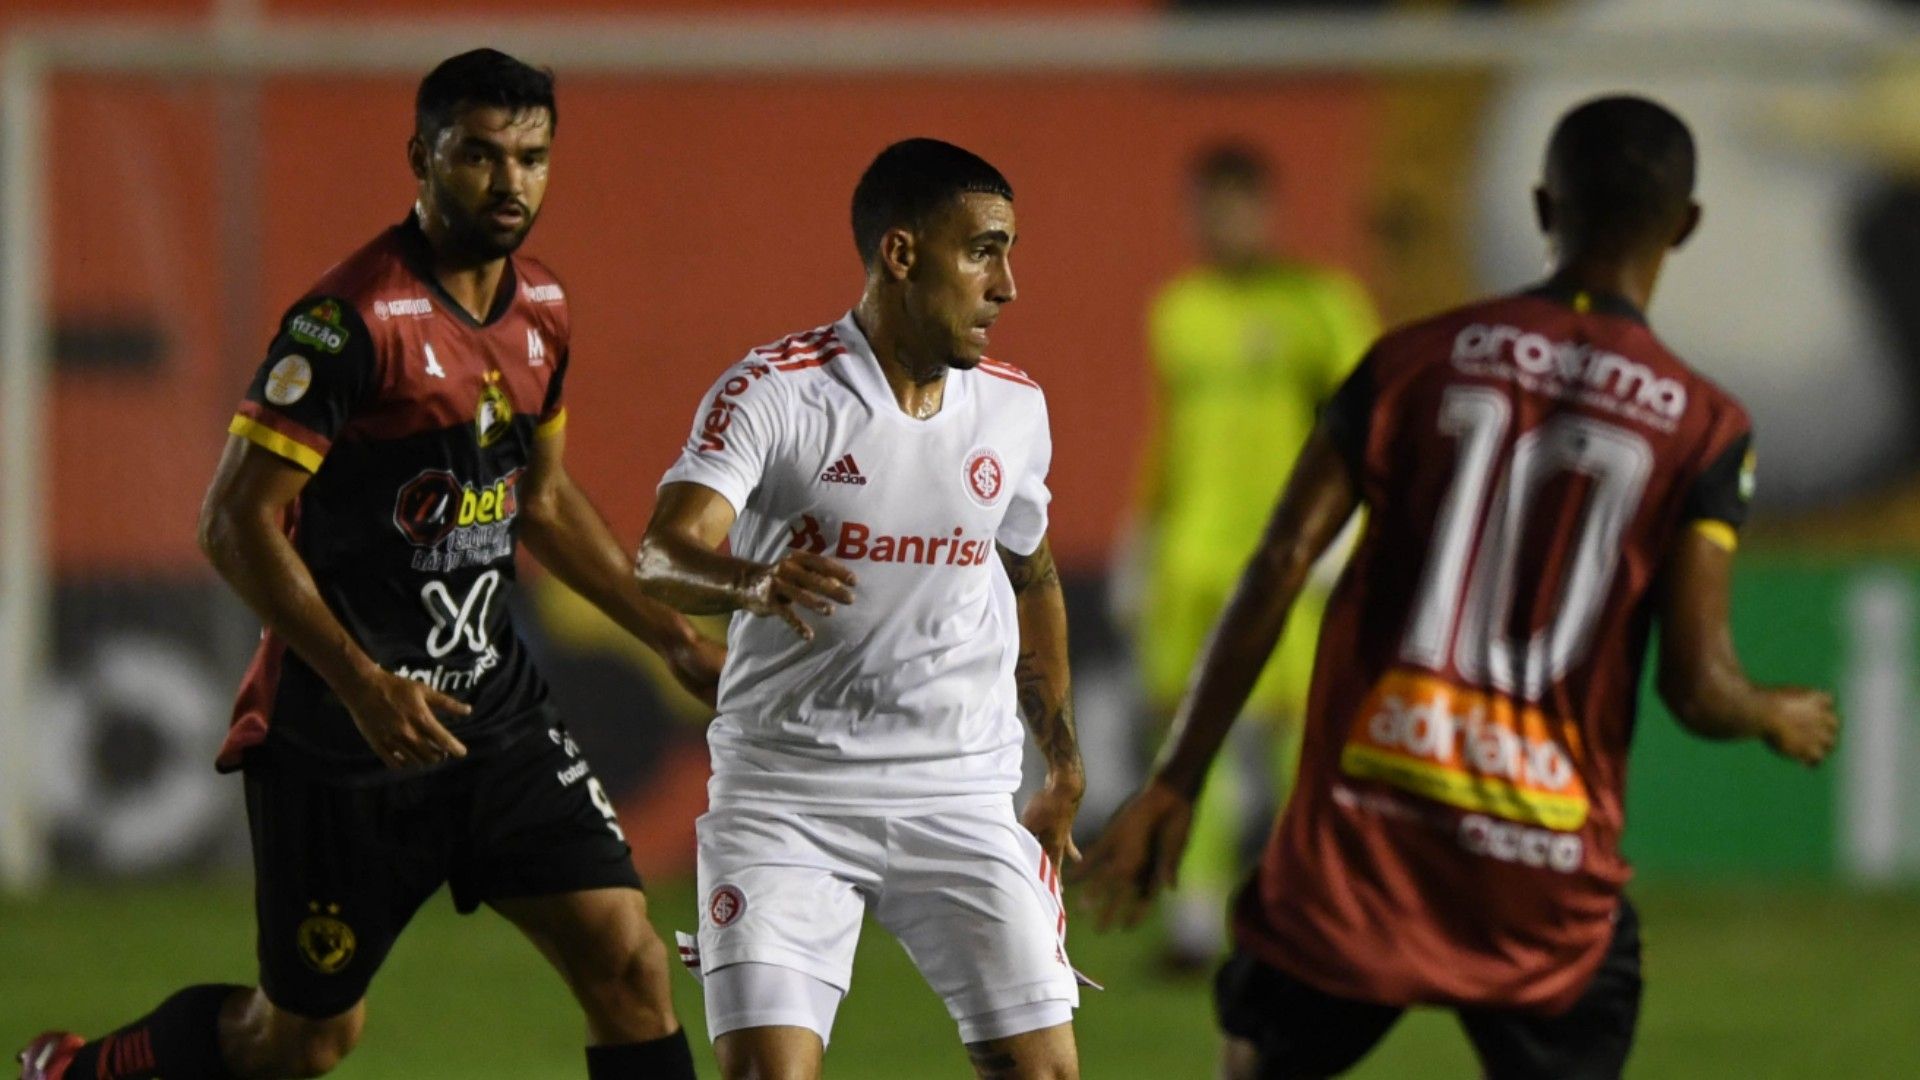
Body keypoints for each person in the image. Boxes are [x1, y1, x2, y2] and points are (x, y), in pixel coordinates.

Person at [1079, 95, 1841, 1080]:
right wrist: (1770, 712)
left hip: (1368, 846)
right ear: (1685, 225)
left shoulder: (1408, 361)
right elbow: (1698, 688)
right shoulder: (1704, 427)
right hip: (1544, 866)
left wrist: (1176, 777)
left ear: (1541, 206)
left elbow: (1279, 563)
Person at [18, 49, 720, 1080]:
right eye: (480, 155)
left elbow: (543, 496)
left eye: (531, 157)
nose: (509, 181)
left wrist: (666, 633)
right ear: (422, 158)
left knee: (627, 964)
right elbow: (232, 522)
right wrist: (360, 681)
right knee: (302, 1040)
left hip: (495, 711)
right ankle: (78, 1074)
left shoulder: (543, 310)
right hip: (347, 736)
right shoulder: (348, 323)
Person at [635, 138, 1085, 1080]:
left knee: (1043, 1072)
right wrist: (748, 584)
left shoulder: (1014, 409)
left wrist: (1064, 762)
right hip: (787, 794)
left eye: (1009, 253)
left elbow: (1031, 574)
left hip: (958, 788)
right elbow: (663, 554)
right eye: (983, 251)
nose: (1007, 285)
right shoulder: (776, 392)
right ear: (902, 253)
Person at [1120, 143, 1378, 967]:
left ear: (1268, 211)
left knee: (1300, 744)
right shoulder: (1178, 311)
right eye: (1209, 207)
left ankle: (1318, 912)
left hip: (1286, 562)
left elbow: (1371, 424)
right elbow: (1171, 436)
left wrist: (1352, 532)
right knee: (1198, 744)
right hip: (1193, 562)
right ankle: (1195, 918)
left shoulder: (1321, 306)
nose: (1224, 224)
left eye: (1240, 206)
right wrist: (1143, 531)